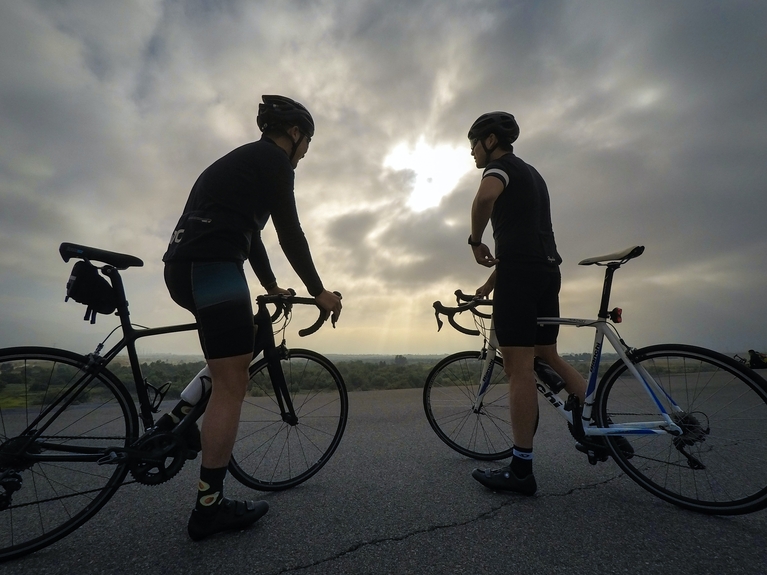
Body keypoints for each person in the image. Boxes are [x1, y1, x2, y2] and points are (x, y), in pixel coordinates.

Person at [161, 95, 342, 540]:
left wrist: (270, 284)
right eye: (308, 142)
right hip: (215, 266)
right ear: (296, 134)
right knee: (232, 382)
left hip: (183, 267)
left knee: (234, 351)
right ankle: (209, 508)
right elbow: (289, 231)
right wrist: (319, 291)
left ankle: (174, 425)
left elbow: (251, 234)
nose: (306, 152)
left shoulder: (238, 161)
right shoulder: (274, 160)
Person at [465, 111, 589, 496]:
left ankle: (521, 470)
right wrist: (489, 284)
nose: (470, 153)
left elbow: (485, 197)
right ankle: (599, 426)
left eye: (472, 144)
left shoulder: (498, 168)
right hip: (547, 271)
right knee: (547, 353)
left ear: (489, 141)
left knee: (518, 369)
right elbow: (522, 242)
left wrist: (475, 239)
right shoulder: (533, 174)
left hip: (520, 277)